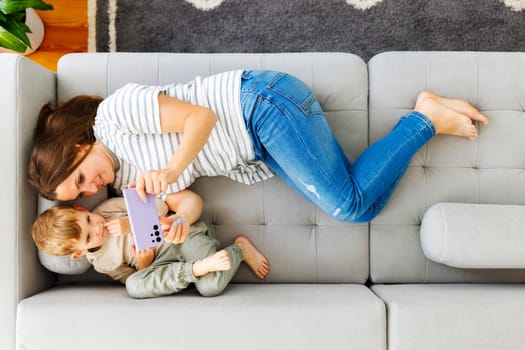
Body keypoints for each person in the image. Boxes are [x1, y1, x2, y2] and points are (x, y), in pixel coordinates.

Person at [27, 70, 489, 231]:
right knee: (360, 204)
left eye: (81, 176)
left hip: (260, 106)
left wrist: (169, 170)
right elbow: (188, 203)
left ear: (78, 146)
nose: (93, 187)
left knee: (349, 206)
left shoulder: (114, 115)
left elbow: (200, 119)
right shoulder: (130, 187)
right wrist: (174, 225)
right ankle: (426, 116)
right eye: (84, 194)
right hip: (260, 148)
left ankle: (424, 118)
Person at [31, 196, 270, 299]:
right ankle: (196, 270)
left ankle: (239, 249)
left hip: (178, 239)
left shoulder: (106, 210)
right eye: (89, 237)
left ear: (82, 210)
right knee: (134, 288)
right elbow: (134, 278)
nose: (98, 228)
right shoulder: (101, 262)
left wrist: (129, 225)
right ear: (79, 252)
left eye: (89, 221)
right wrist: (144, 263)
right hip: (163, 266)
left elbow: (161, 207)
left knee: (212, 285)